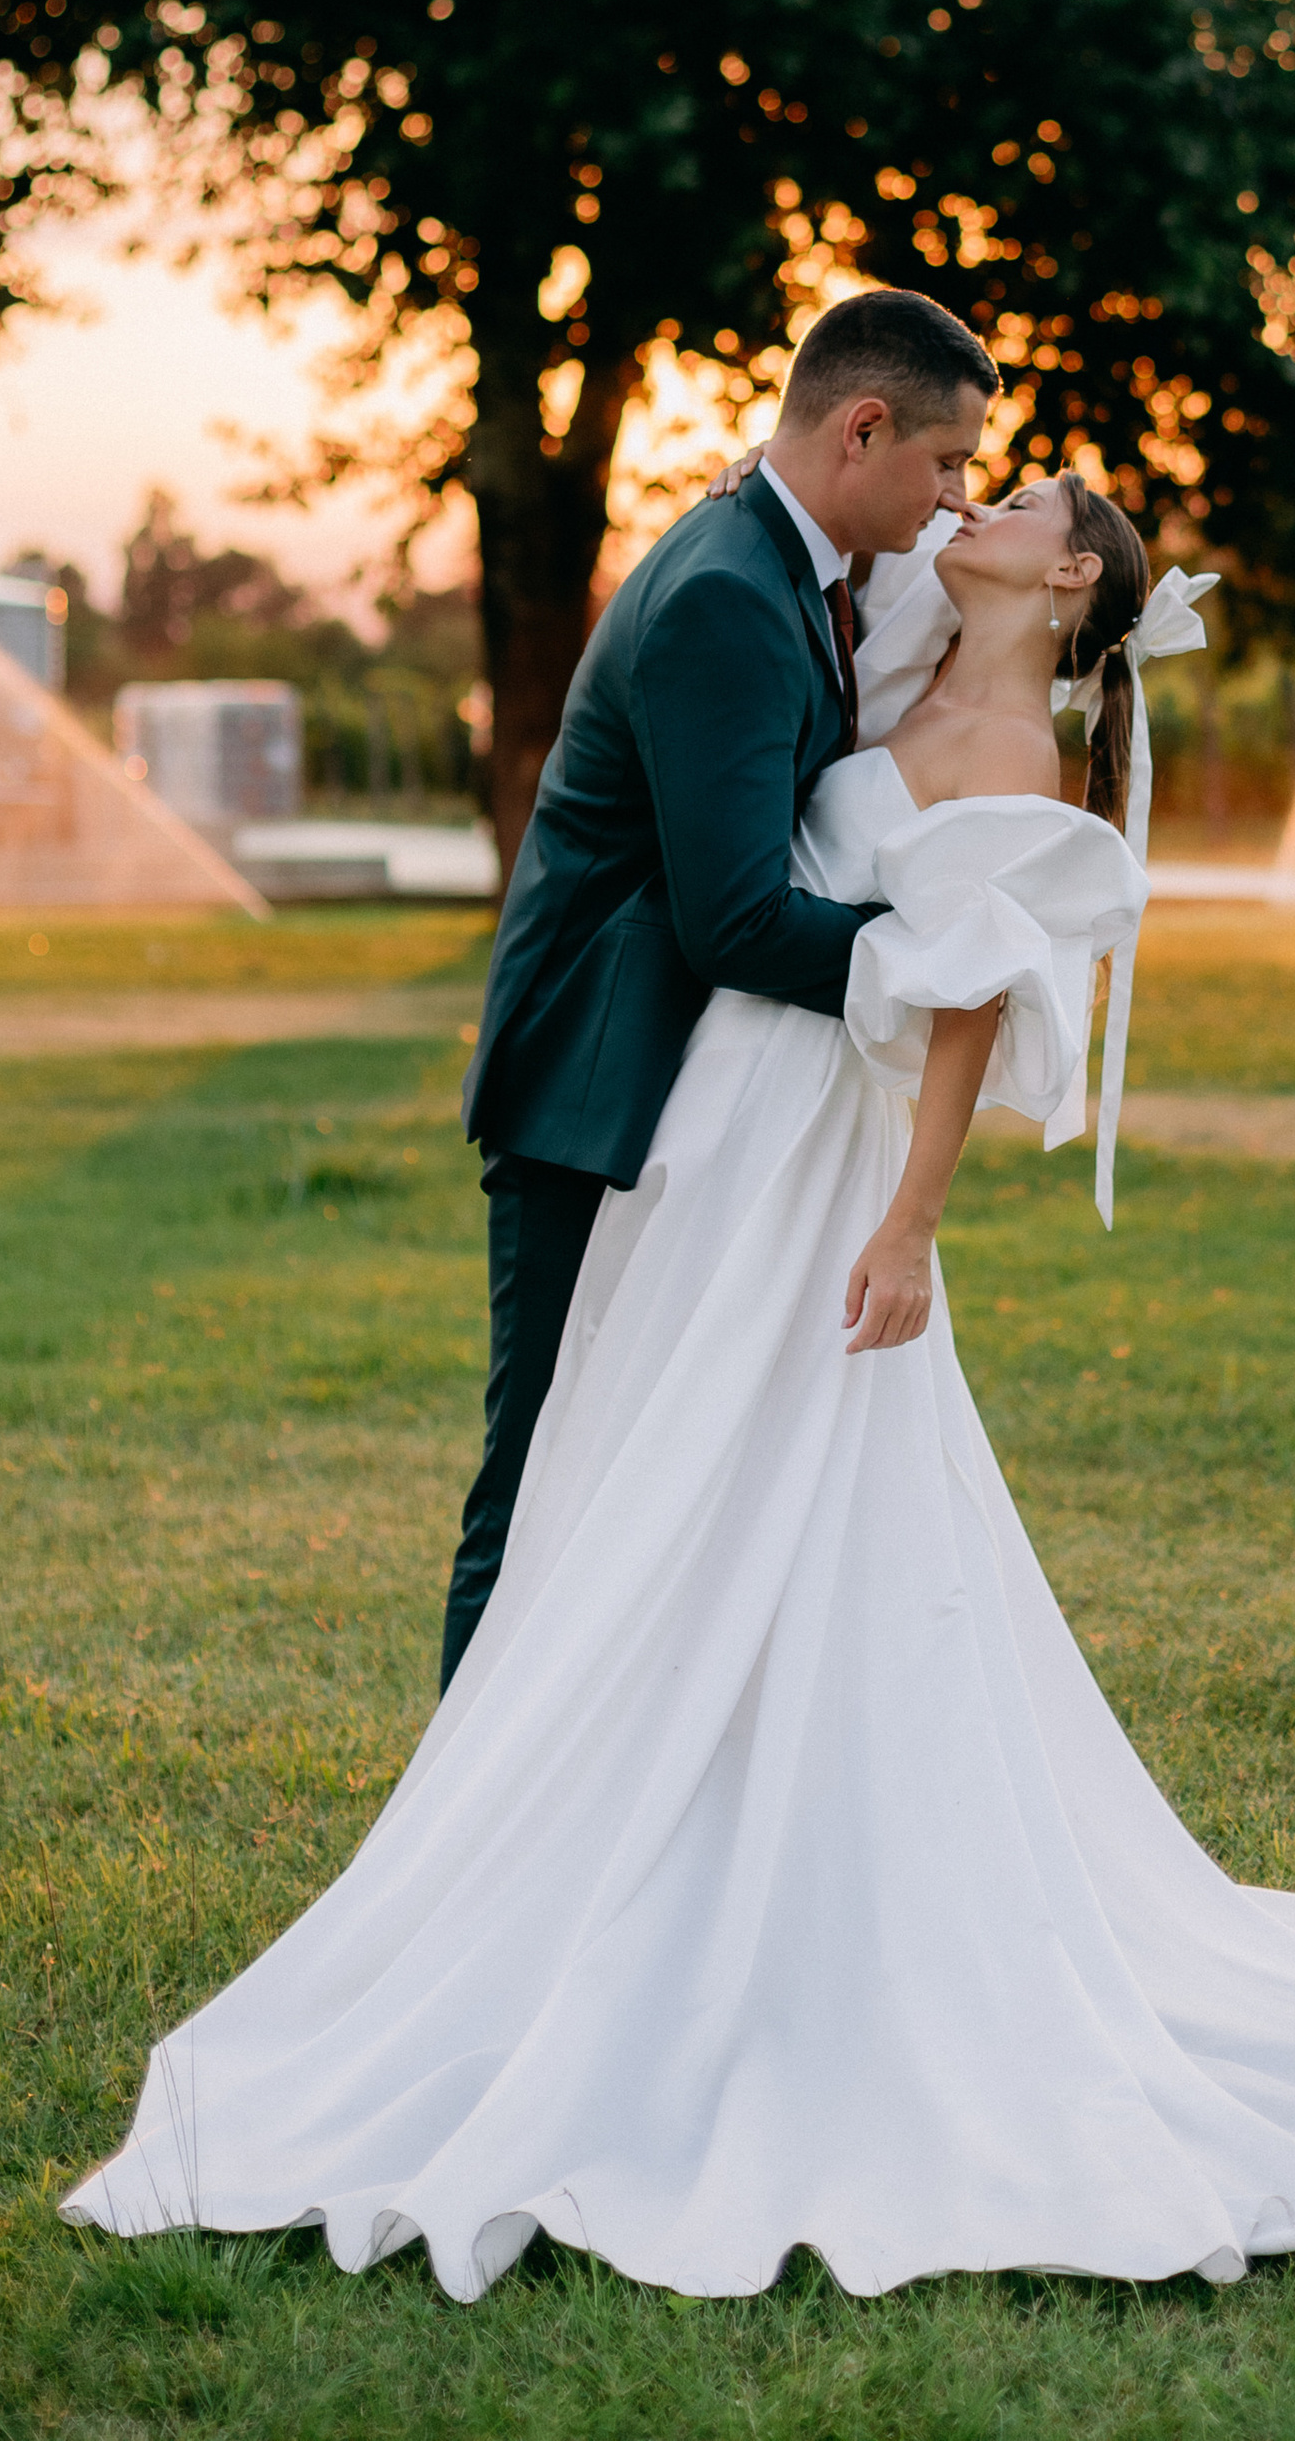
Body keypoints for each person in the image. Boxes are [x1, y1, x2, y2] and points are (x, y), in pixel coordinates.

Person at [65, 449, 1295, 2297]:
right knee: (631, 1484)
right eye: (966, 470)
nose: (978, 503)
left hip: (817, 1162)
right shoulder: (908, 641)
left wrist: (910, 1225)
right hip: (714, 1122)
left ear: (1071, 590)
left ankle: (725, 1915)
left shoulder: (1009, 757)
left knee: (758, 1487)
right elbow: (790, 565)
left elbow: (964, 1005)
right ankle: (579, 1863)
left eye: (1024, 502)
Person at [436, 285, 995, 1688]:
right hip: (593, 1093)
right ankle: (458, 1865)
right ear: (863, 429)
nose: (954, 497)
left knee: (635, 1476)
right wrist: (938, 968)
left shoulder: (783, 557)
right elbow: (738, 918)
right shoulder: (732, 598)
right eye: (944, 462)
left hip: (677, 1092)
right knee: (548, 1477)